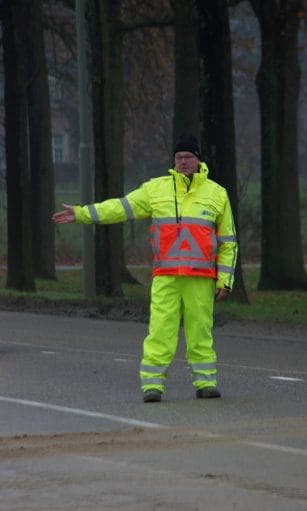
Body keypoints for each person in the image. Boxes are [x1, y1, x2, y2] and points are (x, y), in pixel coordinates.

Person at [52, 134, 237, 403]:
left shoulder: (217, 194)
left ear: (199, 160)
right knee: (160, 331)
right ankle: (153, 386)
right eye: (179, 157)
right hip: (166, 277)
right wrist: (82, 213)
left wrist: (225, 280)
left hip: (201, 278)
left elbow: (228, 241)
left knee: (201, 332)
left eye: (189, 157)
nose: (184, 162)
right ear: (174, 161)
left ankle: (206, 383)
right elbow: (119, 207)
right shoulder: (156, 189)